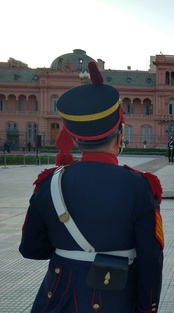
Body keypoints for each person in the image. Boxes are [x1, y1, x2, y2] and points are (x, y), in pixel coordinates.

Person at [18, 61, 164, 313]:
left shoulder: (49, 183)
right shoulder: (139, 186)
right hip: (116, 302)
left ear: (74, 138)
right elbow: (150, 261)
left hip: (56, 301)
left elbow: (31, 248)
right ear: (120, 134)